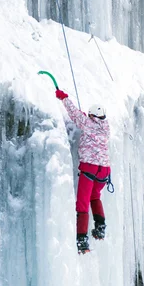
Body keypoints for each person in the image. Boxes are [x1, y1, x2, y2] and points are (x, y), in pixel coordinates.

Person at [56, 89, 111, 254]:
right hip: (104, 170)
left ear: (91, 116)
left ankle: (82, 240)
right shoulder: (106, 127)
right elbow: (86, 119)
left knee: (82, 203)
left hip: (89, 167)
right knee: (95, 197)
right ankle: (100, 227)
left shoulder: (87, 123)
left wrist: (63, 97)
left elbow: (74, 114)